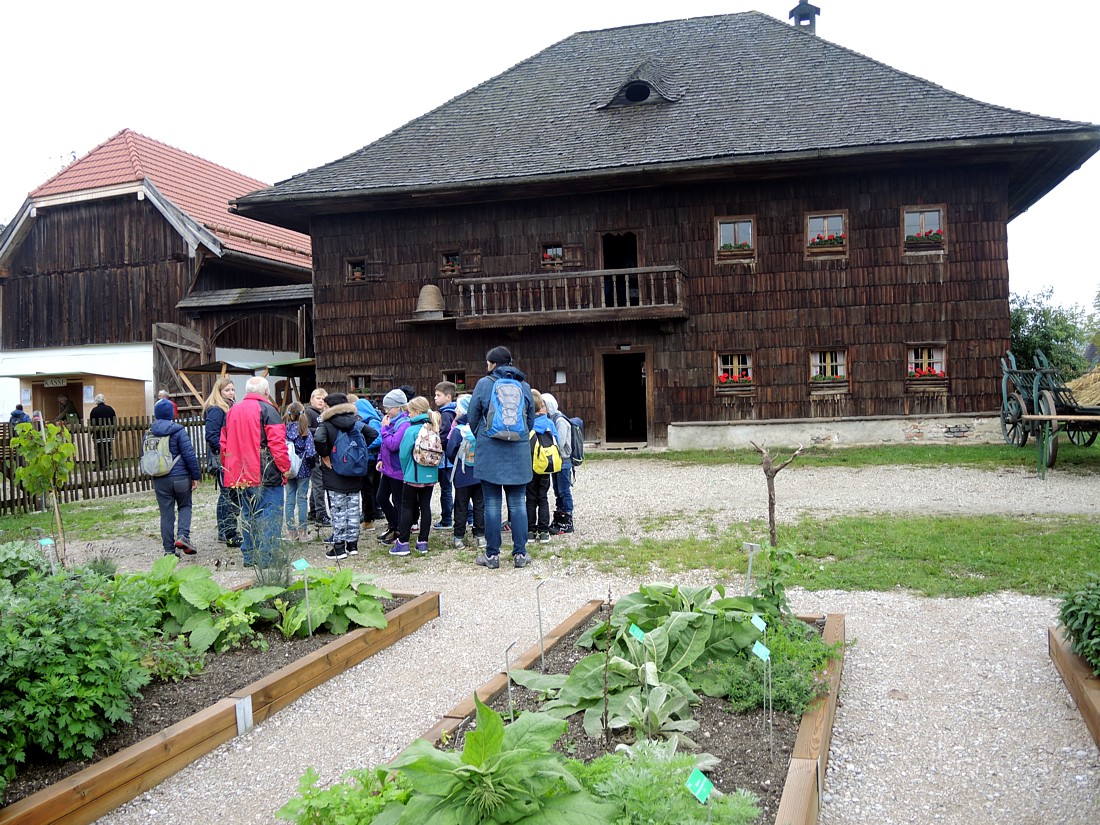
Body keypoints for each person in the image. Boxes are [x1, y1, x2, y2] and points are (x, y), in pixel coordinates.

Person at [467, 345, 535, 569]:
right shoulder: (524, 385)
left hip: (490, 450)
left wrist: (484, 435)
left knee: (492, 505)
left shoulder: (485, 384)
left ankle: (492, 555)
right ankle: (520, 554)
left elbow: (472, 415)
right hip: (518, 451)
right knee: (518, 504)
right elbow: (530, 420)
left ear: (493, 363)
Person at [220, 376, 292, 568]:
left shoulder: (232, 411)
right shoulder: (268, 409)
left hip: (239, 472)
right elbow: (277, 444)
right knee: (270, 514)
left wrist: (229, 468)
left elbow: (223, 445)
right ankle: (267, 557)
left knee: (248, 514)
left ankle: (250, 556)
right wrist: (285, 468)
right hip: (264, 471)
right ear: (266, 392)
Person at [312, 392, 376, 560]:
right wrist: (359, 453)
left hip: (335, 473)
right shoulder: (357, 422)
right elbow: (373, 434)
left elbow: (318, 439)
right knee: (353, 509)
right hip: (354, 472)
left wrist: (326, 456)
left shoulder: (326, 424)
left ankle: (339, 548)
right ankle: (353, 545)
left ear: (330, 407)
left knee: (339, 510)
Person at [148, 398, 201, 557]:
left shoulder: (150, 433)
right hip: (180, 477)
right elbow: (189, 455)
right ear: (172, 414)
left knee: (166, 513)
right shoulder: (178, 431)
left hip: (160, 479)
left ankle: (169, 551)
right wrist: (195, 475)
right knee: (185, 506)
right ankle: (183, 536)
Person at [392, 396, 441, 556]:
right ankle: (423, 543)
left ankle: (403, 543)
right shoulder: (433, 427)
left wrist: (406, 471)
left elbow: (404, 454)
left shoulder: (411, 430)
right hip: (431, 475)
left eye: (410, 412)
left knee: (407, 507)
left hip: (413, 475)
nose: (408, 415)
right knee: (425, 507)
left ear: (417, 412)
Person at [204, 378, 242, 547]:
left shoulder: (230, 407)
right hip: (224, 458)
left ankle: (225, 529)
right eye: (227, 390)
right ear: (219, 392)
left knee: (231, 493)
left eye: (233, 390)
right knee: (228, 494)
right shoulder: (217, 410)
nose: (231, 393)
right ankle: (227, 530)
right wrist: (226, 452)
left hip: (231, 456)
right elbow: (211, 435)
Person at [446, 393, 484, 549]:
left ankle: (459, 537)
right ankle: (481, 536)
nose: (455, 409)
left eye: (458, 407)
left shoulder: (458, 431)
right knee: (480, 505)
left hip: (462, 474)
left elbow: (450, 451)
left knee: (461, 505)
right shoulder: (480, 428)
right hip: (480, 473)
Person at [375, 389, 409, 545]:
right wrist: (380, 458)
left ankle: (401, 532)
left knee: (398, 502)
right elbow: (384, 445)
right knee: (381, 497)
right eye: (385, 407)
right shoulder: (390, 422)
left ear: (400, 407)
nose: (385, 411)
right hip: (387, 469)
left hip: (397, 470)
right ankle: (393, 525)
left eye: (389, 408)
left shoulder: (404, 424)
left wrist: (384, 429)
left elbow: (394, 445)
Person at [541, 392, 575, 534]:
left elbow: (560, 444)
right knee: (557, 491)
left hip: (564, 461)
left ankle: (567, 520)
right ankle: (560, 516)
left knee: (564, 491)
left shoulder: (560, 420)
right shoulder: (552, 419)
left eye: (543, 405)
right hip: (556, 461)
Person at [526, 390, 556, 544]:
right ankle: (544, 532)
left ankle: (531, 531)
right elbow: (555, 439)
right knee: (543, 497)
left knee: (530, 498)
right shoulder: (548, 422)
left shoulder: (527, 423)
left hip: (529, 465)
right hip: (545, 465)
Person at [284, 402, 316, 541]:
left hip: (288, 468)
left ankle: (291, 532)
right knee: (302, 499)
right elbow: (310, 452)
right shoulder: (304, 431)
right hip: (302, 469)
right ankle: (303, 532)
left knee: (289, 499)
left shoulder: (283, 430)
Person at [353, 393, 384, 525]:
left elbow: (378, 438)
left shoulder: (372, 421)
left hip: (370, 459)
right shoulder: (369, 420)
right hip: (372, 458)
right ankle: (375, 511)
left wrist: (363, 446)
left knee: (368, 488)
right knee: (373, 487)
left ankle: (369, 515)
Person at [304, 388, 330, 527]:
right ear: (311, 399)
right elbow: (304, 430)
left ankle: (313, 511)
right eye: (318, 398)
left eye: (323, 398)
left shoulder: (324, 414)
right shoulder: (309, 413)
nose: (321, 401)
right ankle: (321, 514)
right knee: (319, 485)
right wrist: (322, 430)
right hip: (313, 454)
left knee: (317, 485)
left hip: (321, 453)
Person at [433, 381, 457, 529]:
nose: (435, 398)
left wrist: (435, 443)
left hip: (446, 458)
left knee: (446, 489)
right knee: (458, 488)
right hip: (452, 457)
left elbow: (444, 436)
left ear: (448, 397)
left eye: (438, 395)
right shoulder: (454, 411)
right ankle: (470, 516)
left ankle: (447, 519)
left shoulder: (447, 414)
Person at [88, 393, 117, 471]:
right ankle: (107, 465)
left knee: (99, 451)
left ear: (96, 401)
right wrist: (113, 432)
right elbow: (114, 421)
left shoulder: (94, 411)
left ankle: (100, 466)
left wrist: (91, 434)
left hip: (98, 435)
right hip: (108, 434)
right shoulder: (110, 409)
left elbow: (91, 423)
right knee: (108, 449)